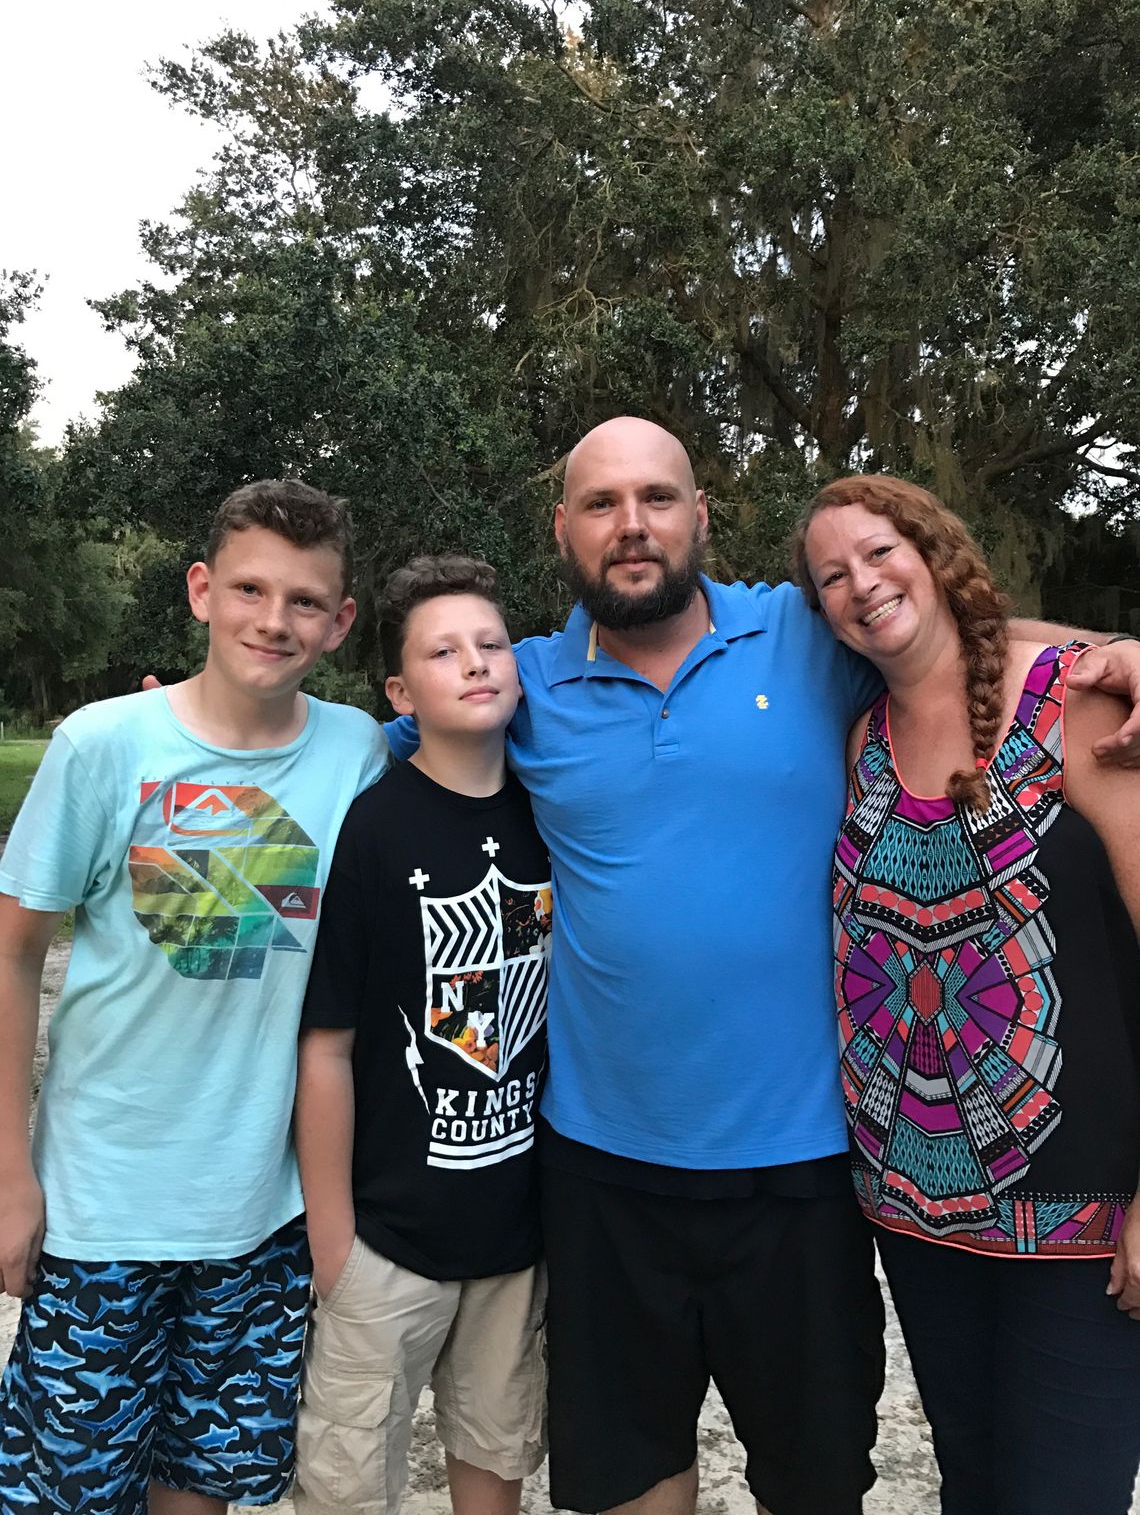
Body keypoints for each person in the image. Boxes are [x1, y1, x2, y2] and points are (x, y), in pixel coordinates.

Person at [385, 416, 1140, 1515]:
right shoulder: (522, 684)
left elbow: (937, 624)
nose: (631, 524)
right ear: (564, 529)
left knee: (819, 1481)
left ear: (702, 514)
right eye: (601, 503)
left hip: (806, 1171)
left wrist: (1121, 649)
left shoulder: (801, 634)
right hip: (603, 1166)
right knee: (629, 1476)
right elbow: (384, 737)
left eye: (656, 497)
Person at [0, 480, 388, 1515]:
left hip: (261, 1218)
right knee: (66, 1496)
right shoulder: (102, 744)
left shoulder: (356, 752)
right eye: (251, 588)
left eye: (307, 600)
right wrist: (9, 1174)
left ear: (342, 622)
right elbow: (11, 952)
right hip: (99, 1209)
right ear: (201, 590)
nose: (275, 618)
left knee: (200, 1490)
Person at [794, 474, 1140, 1515]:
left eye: (880, 551)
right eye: (832, 577)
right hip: (918, 1210)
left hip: (1082, 1219)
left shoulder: (1076, 702)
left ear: (935, 549)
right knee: (973, 1485)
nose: (863, 584)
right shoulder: (859, 740)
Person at [293, 555, 550, 1515]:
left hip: (514, 1240)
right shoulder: (374, 828)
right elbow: (327, 1045)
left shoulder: (551, 816)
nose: (475, 664)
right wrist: (333, 1240)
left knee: (496, 1455)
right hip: (385, 1239)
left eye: (491, 645)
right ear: (401, 690)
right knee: (349, 1482)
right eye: (443, 652)